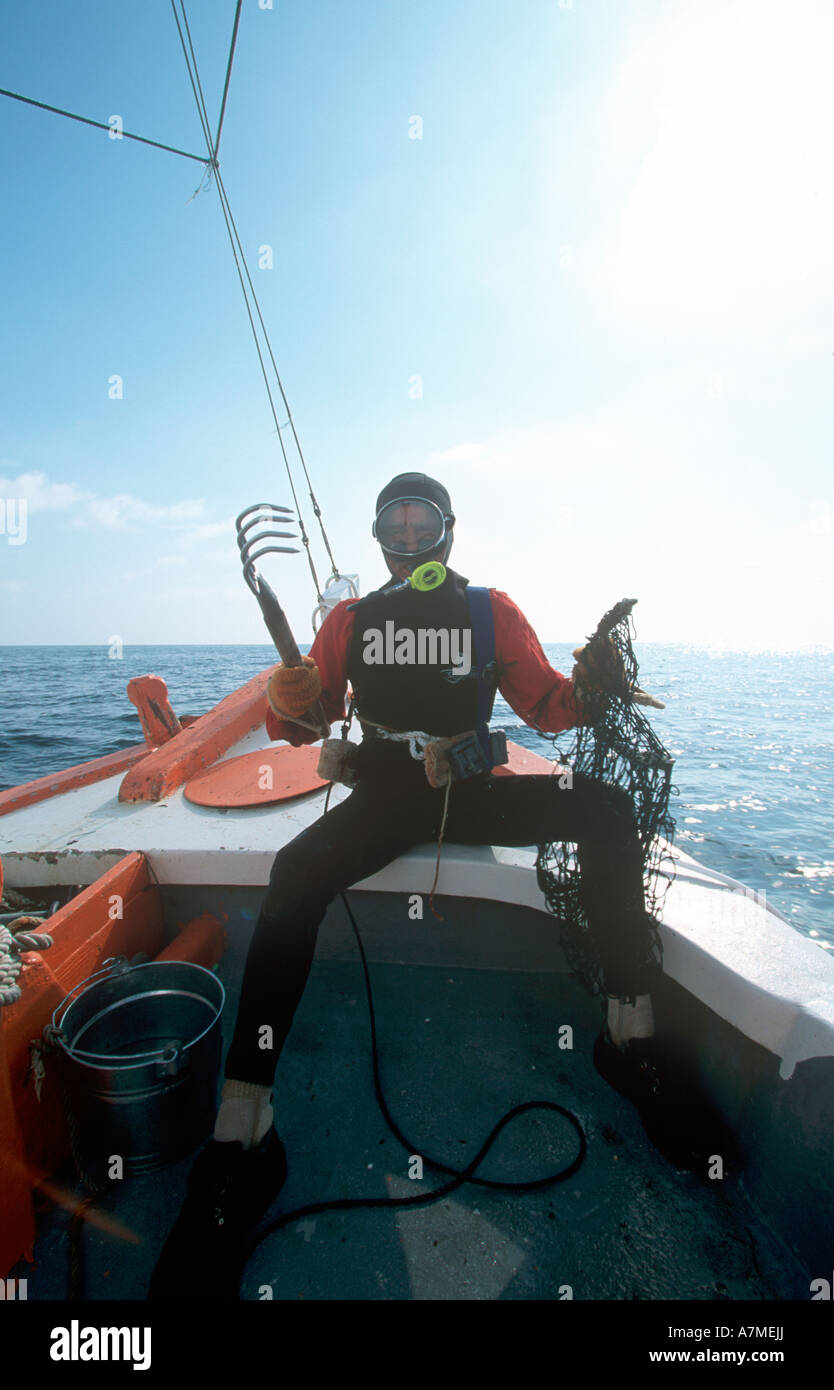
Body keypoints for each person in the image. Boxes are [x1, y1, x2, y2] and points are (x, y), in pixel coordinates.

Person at [149, 472, 694, 1301]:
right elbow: (310, 720)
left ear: (447, 531)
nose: (409, 538)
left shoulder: (491, 611)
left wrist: (594, 688)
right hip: (388, 799)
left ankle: (631, 1036)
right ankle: (242, 1127)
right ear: (378, 539)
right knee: (295, 874)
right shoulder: (350, 620)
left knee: (610, 811)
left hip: (472, 787)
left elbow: (547, 707)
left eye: (422, 523)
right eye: (394, 527)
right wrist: (288, 695)